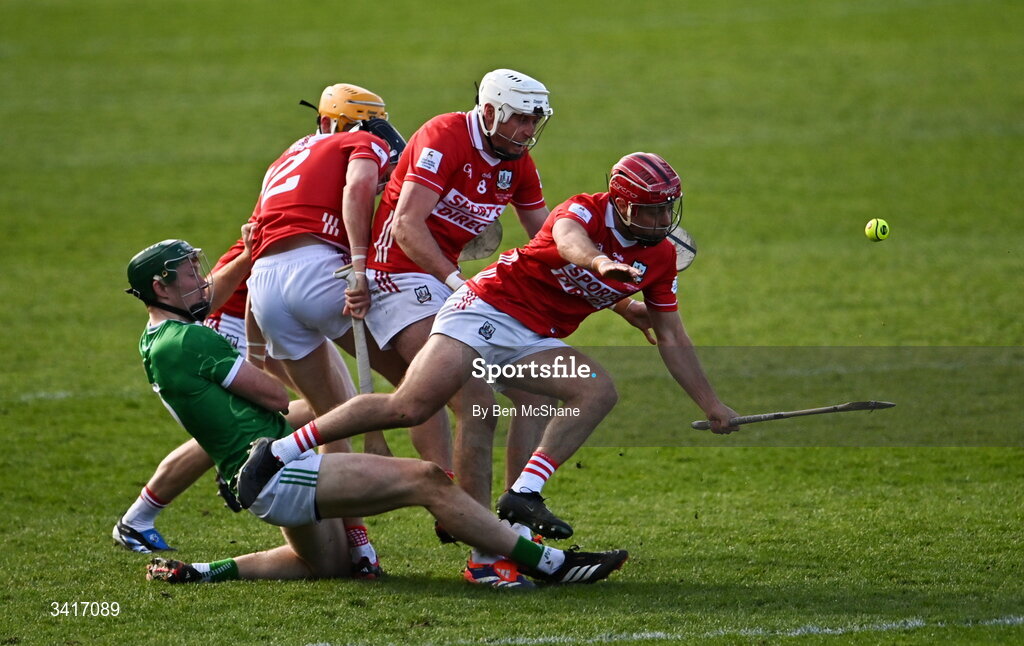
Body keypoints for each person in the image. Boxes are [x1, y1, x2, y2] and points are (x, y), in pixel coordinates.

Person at [238, 152, 739, 548]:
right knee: (410, 405)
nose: (660, 218)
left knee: (596, 390)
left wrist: (712, 405)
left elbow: (672, 336)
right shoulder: (585, 210)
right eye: (649, 208)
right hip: (482, 310)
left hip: (533, 337)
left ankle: (522, 496)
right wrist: (601, 263)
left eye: (666, 208)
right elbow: (566, 240)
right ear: (621, 202)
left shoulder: (662, 254)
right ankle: (278, 452)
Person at [125, 239, 627, 589]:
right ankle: (551, 564)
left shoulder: (154, 342)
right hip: (279, 473)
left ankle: (199, 572)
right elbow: (275, 398)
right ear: (160, 287)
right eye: (190, 273)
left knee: (323, 566)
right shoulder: (190, 338)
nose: (201, 279)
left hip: (255, 480)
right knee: (428, 480)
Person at [363, 69, 595, 585]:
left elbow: (550, 242)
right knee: (475, 402)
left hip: (446, 288)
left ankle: (516, 517)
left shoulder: (519, 162)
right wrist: (457, 282)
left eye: (536, 121)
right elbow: (405, 226)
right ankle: (484, 555)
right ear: (489, 112)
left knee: (533, 387)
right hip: (396, 280)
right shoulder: (444, 135)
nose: (527, 130)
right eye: (519, 119)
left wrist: (617, 293)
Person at [244, 83, 414, 577]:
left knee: (330, 422)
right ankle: (456, 501)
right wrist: (359, 264)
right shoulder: (362, 140)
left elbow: (254, 241)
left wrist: (255, 345)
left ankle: (358, 544)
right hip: (321, 272)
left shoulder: (284, 158)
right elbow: (359, 187)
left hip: (267, 287)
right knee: (425, 382)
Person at [111, 234, 317, 554]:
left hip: (264, 315)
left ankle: (141, 518)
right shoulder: (183, 328)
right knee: (328, 406)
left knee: (326, 407)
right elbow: (204, 293)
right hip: (238, 321)